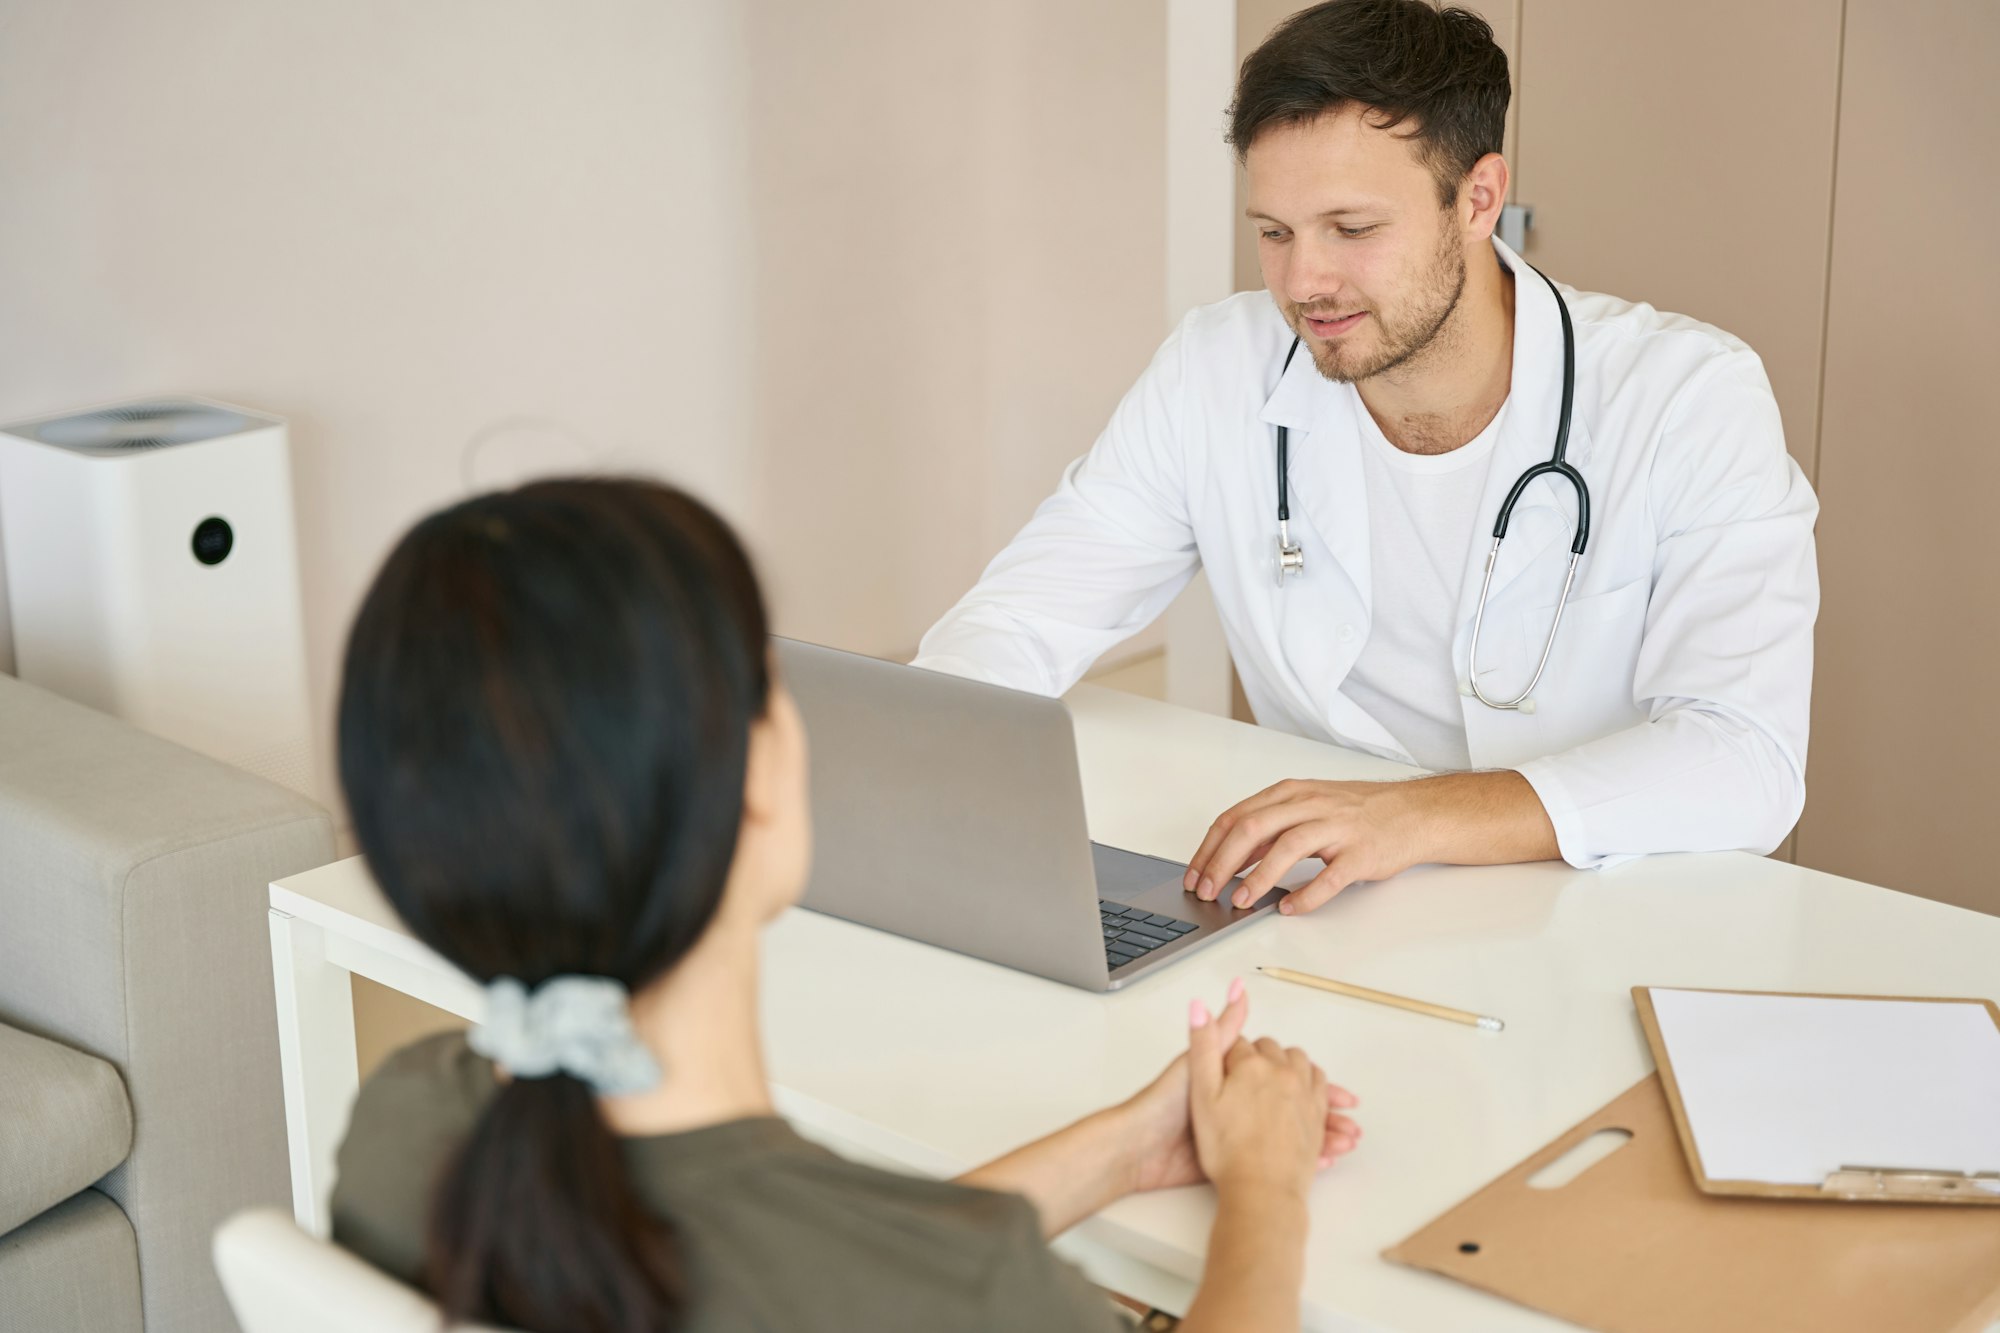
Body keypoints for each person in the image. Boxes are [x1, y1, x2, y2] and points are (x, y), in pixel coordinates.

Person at [328, 477, 1362, 1333]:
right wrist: (1264, 1192)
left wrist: (1122, 1148)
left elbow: (842, 1263)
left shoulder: (408, 1123)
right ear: (758, 780)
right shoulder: (961, 1295)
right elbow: (878, 1276)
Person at [914, 0, 1818, 914]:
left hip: (1598, 908)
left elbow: (1748, 757)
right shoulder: (1213, 370)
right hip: (1334, 911)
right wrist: (909, 761)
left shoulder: (1687, 398)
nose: (1303, 282)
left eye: (1351, 230)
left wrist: (1412, 818)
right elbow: (1023, 617)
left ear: (1478, 198)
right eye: (1274, 232)